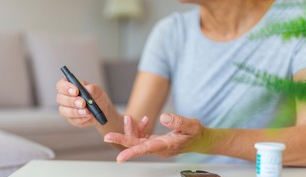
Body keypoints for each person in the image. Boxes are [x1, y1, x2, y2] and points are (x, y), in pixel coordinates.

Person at [56, 0, 306, 166]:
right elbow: (127, 136)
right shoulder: (170, 33)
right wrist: (102, 108)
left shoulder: (298, 21)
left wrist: (207, 139)